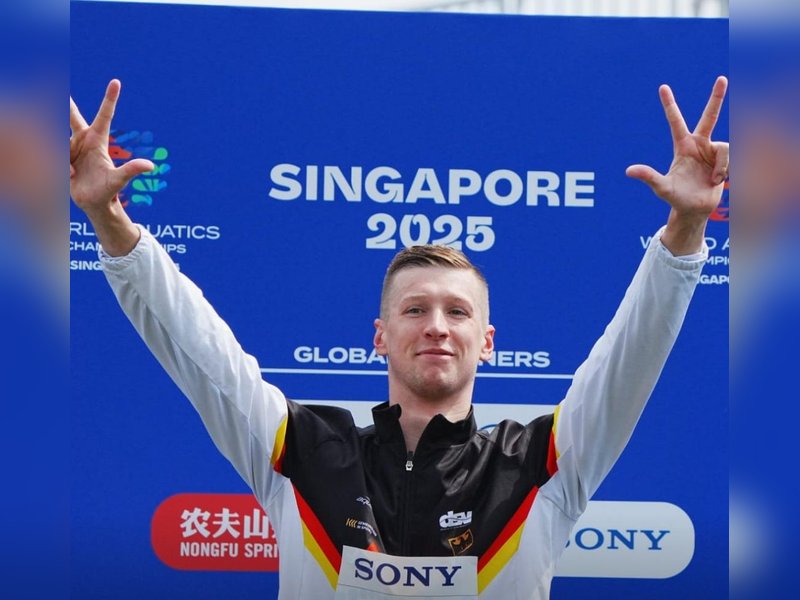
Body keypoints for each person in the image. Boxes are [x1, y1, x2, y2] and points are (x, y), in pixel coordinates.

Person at [70, 76, 728, 599]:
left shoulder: (542, 464)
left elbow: (631, 357)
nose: (437, 326)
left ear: (489, 341)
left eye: (457, 312)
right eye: (415, 310)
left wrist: (684, 234)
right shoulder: (299, 449)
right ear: (380, 337)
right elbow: (194, 345)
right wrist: (108, 219)